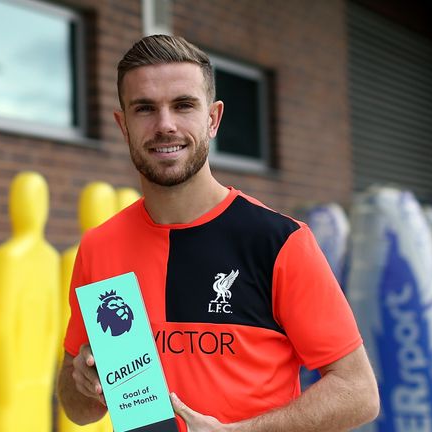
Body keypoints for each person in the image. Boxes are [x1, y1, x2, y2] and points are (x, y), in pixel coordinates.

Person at [56, 34, 380, 431]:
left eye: (183, 105)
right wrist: (84, 383)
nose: (165, 125)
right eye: (145, 109)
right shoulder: (99, 247)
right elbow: (78, 408)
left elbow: (359, 392)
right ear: (123, 125)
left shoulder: (278, 242)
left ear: (213, 119)